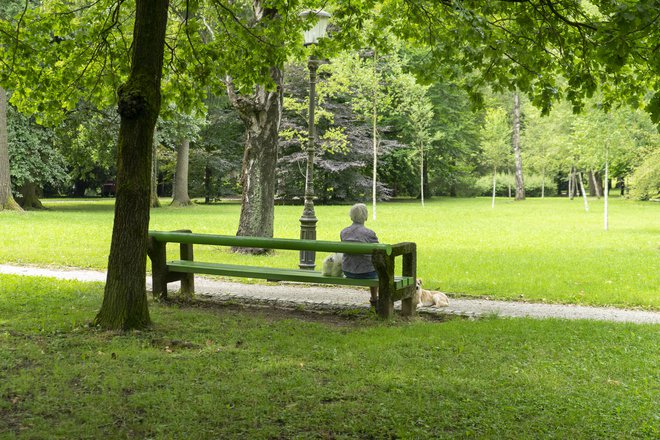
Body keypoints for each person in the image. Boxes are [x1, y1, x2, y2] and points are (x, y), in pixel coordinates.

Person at [340, 203, 379, 309]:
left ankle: (374, 299)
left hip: (348, 271)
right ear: (365, 216)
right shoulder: (369, 233)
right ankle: (374, 299)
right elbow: (379, 251)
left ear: (351, 216)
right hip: (367, 273)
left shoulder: (344, 232)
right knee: (376, 267)